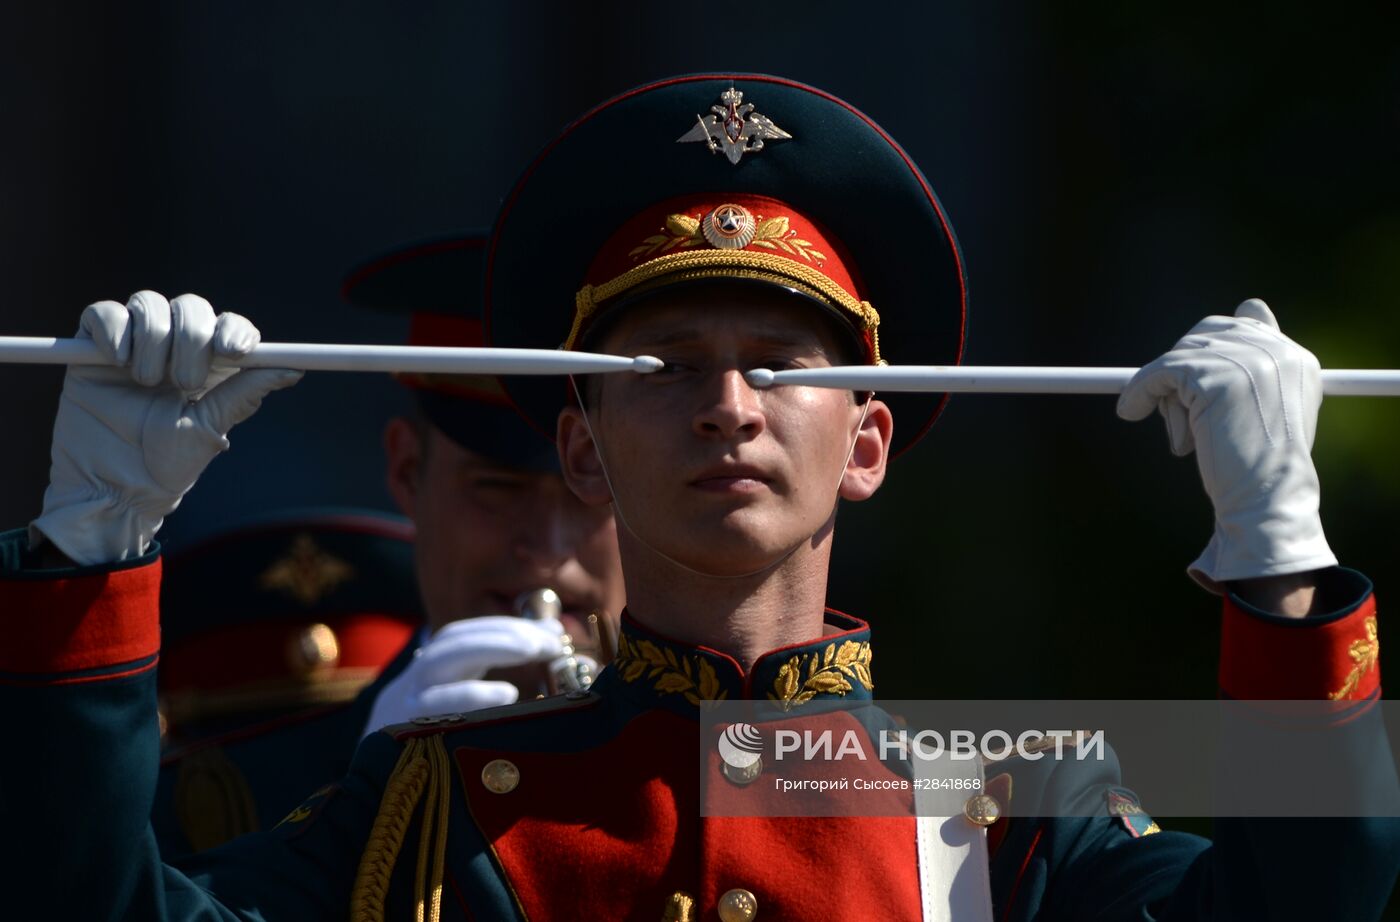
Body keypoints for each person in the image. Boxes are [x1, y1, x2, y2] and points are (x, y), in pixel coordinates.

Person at [1, 74, 1395, 921]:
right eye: (664, 367)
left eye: (782, 369)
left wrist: (1281, 554)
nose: (727, 405)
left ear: (867, 444)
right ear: (587, 453)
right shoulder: (432, 804)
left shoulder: (1006, 791)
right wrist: (91, 545)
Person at [149, 236, 627, 857]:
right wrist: (362, 806)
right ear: (407, 471)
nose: (546, 549)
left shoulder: (749, 751)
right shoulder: (234, 797)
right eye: (497, 488)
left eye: (596, 490)